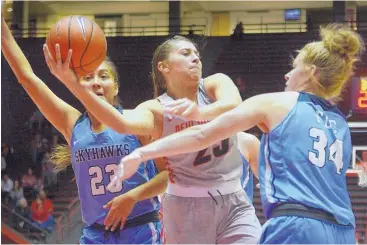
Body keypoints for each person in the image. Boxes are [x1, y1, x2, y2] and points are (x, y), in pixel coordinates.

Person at [114, 24, 364, 244]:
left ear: (311, 72)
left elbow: (202, 134)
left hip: (298, 224)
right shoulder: (339, 122)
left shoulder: (275, 102)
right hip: (343, 228)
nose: (287, 74)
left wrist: (142, 153)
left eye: (294, 67)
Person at [44, 35, 261, 243]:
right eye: (186, 53)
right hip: (185, 208)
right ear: (164, 66)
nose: (195, 57)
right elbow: (121, 123)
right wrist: (74, 85)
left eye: (196, 53)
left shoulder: (214, 84)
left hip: (232, 201)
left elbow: (234, 104)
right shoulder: (154, 109)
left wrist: (199, 113)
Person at [1, 17, 166, 244]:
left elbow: (170, 176)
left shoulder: (135, 120)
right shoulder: (74, 125)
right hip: (95, 235)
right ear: (78, 84)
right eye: (88, 77)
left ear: (116, 86)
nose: (96, 82)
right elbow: (27, 78)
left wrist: (133, 196)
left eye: (104, 76)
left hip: (140, 231)